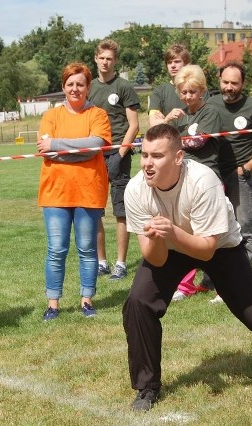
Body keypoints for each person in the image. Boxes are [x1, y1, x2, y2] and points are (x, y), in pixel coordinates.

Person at [122, 123, 252, 411]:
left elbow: (207, 249)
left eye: (157, 156)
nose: (148, 163)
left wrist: (171, 231)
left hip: (219, 247)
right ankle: (147, 387)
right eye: (144, 155)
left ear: (177, 158)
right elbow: (156, 259)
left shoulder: (202, 180)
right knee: (138, 303)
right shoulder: (136, 190)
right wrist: (162, 237)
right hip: (171, 246)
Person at [36, 62, 112, 320]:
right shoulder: (51, 116)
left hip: (89, 192)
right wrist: (80, 152)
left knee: (87, 249)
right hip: (55, 193)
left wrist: (57, 146)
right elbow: (46, 151)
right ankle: (53, 304)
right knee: (56, 249)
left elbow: (94, 145)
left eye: (80, 84)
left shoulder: (98, 115)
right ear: (63, 87)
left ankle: (87, 300)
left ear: (88, 87)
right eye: (70, 84)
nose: (75, 88)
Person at [208, 61, 252, 263]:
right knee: (213, 228)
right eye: (225, 82)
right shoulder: (209, 105)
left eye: (234, 83)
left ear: (243, 83)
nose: (229, 87)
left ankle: (245, 278)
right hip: (212, 177)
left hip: (240, 178)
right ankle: (212, 279)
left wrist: (246, 168)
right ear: (219, 80)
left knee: (244, 228)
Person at [170, 64, 223, 301]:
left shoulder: (210, 112)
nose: (187, 96)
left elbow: (197, 143)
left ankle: (225, 285)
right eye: (183, 92)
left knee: (212, 234)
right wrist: (169, 122)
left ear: (201, 91)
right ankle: (185, 285)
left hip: (207, 179)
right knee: (185, 233)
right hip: (183, 179)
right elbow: (163, 140)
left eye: (192, 91)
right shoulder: (179, 116)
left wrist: (173, 141)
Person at [89, 39, 141, 280]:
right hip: (94, 156)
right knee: (95, 211)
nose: (105, 62)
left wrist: (120, 154)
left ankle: (120, 263)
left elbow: (134, 125)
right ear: (96, 59)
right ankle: (102, 262)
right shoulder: (88, 87)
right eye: (102, 58)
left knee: (121, 211)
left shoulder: (124, 86)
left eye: (110, 58)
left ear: (114, 61)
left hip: (119, 153)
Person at [148, 44, 190, 127]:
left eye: (177, 61)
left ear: (186, 64)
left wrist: (162, 120)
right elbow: (153, 124)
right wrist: (167, 119)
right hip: (168, 137)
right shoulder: (159, 91)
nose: (173, 66)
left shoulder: (198, 89)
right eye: (169, 62)